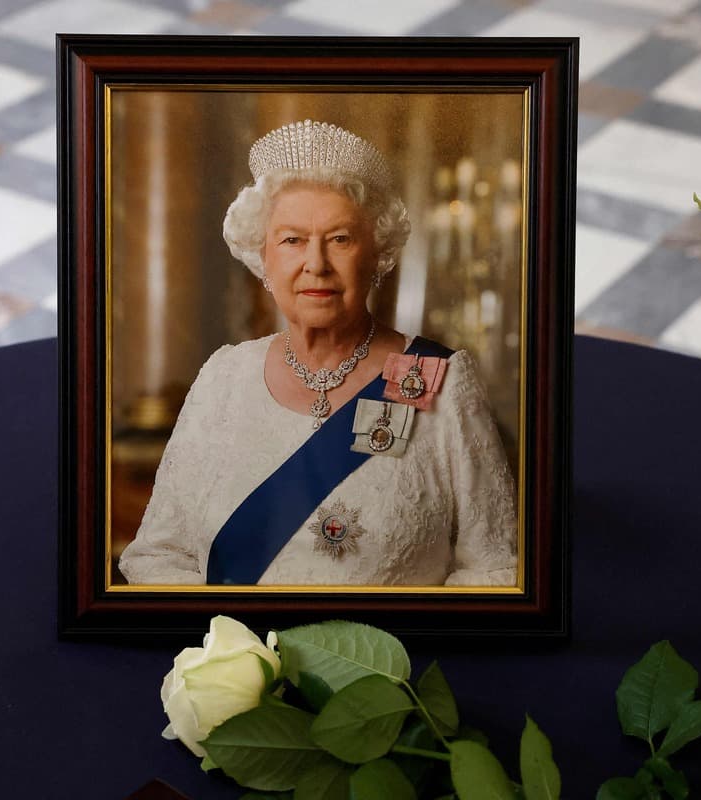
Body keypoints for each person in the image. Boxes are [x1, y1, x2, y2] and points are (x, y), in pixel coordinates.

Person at [118, 120, 517, 586]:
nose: (316, 263)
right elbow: (157, 556)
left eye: (340, 239)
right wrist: (236, 654)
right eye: (292, 240)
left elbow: (495, 570)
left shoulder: (437, 379)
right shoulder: (223, 376)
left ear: (377, 255)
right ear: (262, 257)